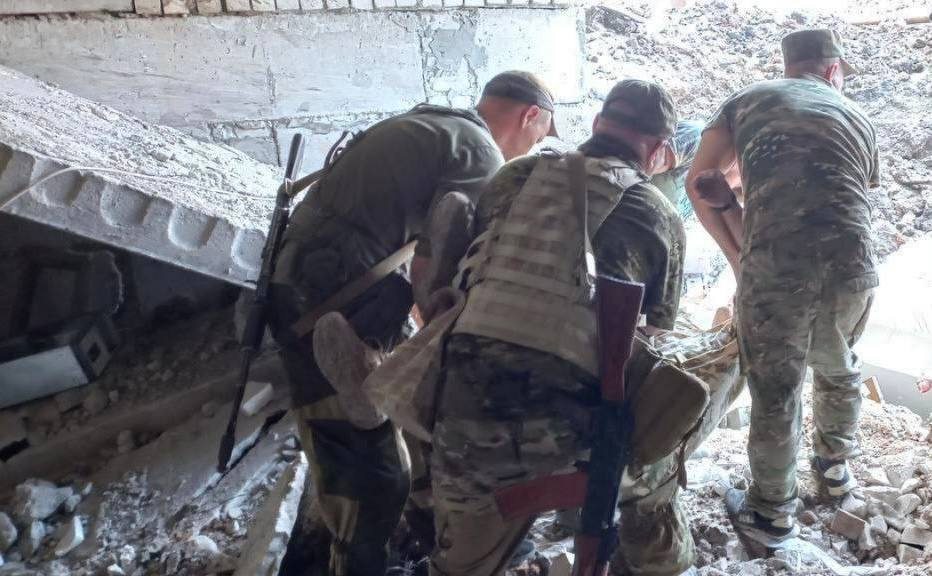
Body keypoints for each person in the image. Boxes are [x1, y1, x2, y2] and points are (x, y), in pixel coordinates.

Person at [266, 71, 558, 576]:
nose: (532, 147)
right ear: (530, 115)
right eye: (539, 135)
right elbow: (433, 269)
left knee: (392, 429)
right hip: (332, 298)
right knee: (370, 474)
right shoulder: (480, 153)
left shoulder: (438, 125)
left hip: (313, 287)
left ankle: (416, 539)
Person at [430, 79, 686, 576]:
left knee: (461, 557)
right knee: (663, 449)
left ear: (597, 124)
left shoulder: (514, 176)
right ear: (658, 151)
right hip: (571, 441)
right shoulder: (656, 212)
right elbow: (656, 337)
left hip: (459, 422)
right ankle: (658, 562)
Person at [686, 28, 880, 553]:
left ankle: (772, 513)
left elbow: (700, 179)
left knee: (776, 387)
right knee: (839, 367)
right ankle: (834, 475)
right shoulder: (856, 116)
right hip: (854, 267)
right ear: (833, 71)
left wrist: (738, 256)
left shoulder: (749, 100)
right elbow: (836, 190)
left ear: (788, 65)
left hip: (777, 268)